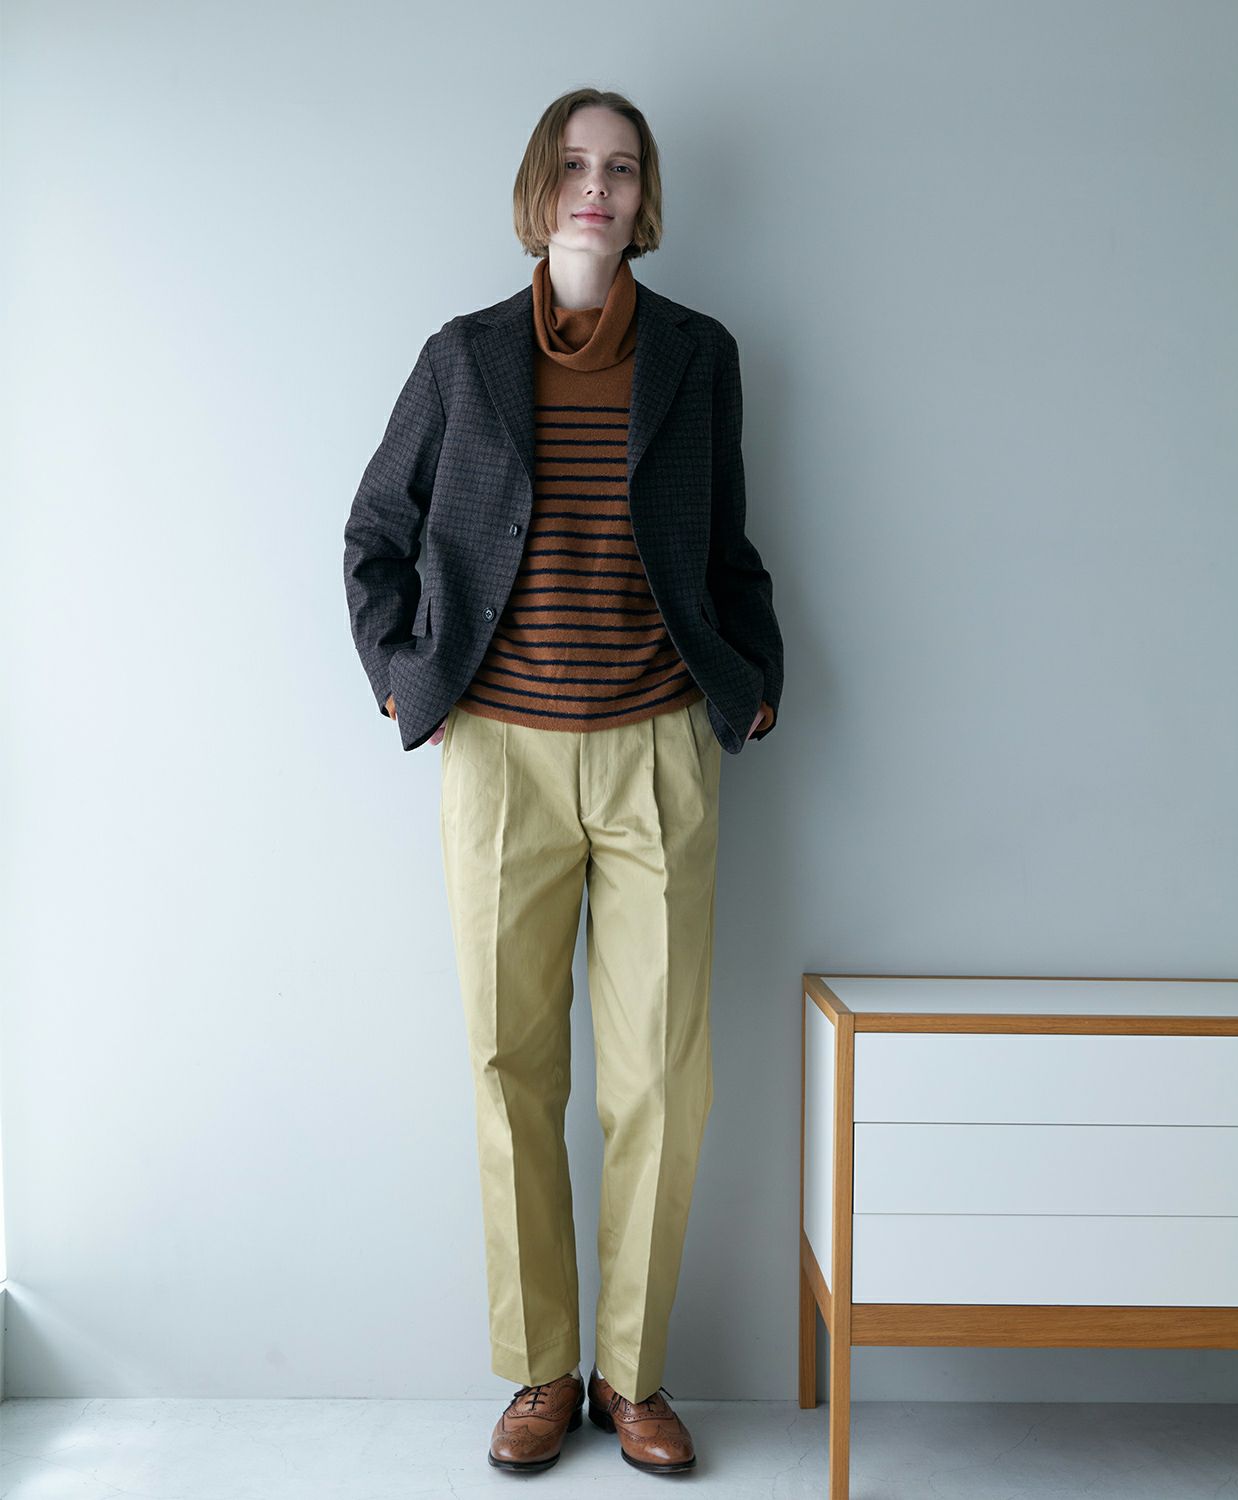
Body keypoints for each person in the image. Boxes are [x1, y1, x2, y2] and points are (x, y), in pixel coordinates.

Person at [342, 87, 783, 1476]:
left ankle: (631, 1379)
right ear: (539, 191)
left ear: (645, 200)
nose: (598, 187)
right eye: (577, 165)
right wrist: (402, 681)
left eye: (622, 168)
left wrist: (755, 674)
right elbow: (375, 532)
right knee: (507, 1067)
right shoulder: (463, 359)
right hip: (499, 755)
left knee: (661, 1079)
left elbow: (727, 544)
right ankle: (539, 1371)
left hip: (659, 750)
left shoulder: (699, 356)